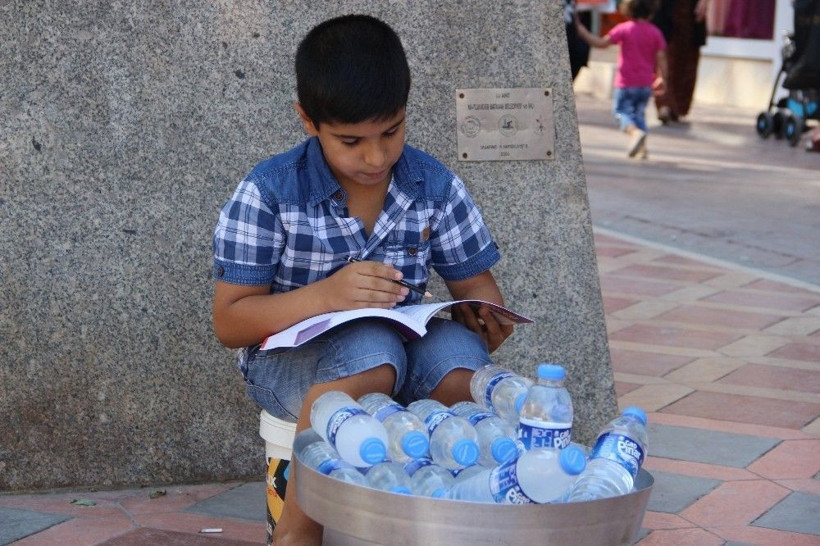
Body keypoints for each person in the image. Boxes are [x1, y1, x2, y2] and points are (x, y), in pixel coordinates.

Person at [211, 14, 513, 545]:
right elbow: (231, 322)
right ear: (308, 121)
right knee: (372, 347)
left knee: (458, 357)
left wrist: (486, 318)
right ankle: (298, 530)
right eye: (351, 141)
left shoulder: (434, 187)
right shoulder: (270, 192)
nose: (376, 157)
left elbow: (477, 289)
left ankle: (462, 519)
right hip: (288, 363)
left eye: (391, 132)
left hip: (403, 352)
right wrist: (327, 296)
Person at [575, 0, 668, 159]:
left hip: (626, 82)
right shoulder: (655, 32)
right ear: (651, 12)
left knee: (621, 112)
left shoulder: (624, 29)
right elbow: (662, 57)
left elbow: (601, 43)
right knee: (639, 114)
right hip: (645, 83)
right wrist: (662, 78)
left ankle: (635, 133)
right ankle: (642, 149)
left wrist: (582, 31)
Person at [652, 0, 709, 123]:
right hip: (665, 8)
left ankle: (677, 107)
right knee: (664, 54)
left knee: (687, 60)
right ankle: (664, 104)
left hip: (689, 9)